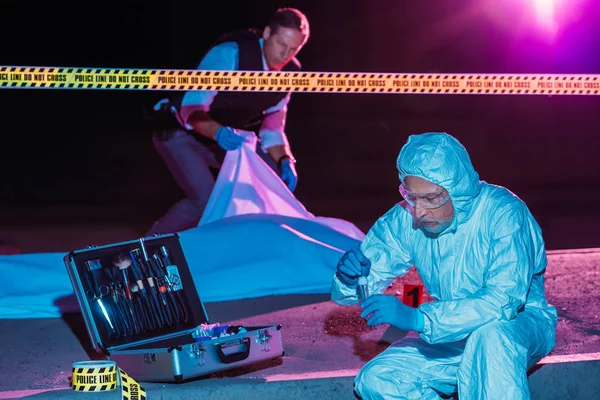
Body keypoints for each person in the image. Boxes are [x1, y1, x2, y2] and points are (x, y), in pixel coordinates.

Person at [332, 132, 557, 399]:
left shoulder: (504, 213)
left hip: (515, 326)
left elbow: (502, 302)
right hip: (450, 331)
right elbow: (359, 288)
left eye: (431, 198)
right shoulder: (408, 216)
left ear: (457, 190)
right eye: (412, 196)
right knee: (378, 379)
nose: (419, 211)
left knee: (490, 339)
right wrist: (350, 278)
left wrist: (419, 318)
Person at [146, 8, 310, 235]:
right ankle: (148, 248)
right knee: (203, 200)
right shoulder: (229, 54)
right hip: (180, 132)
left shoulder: (290, 72)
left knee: (269, 181)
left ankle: (246, 248)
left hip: (221, 139)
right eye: (282, 44)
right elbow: (192, 109)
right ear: (267, 33)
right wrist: (219, 132)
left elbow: (272, 128)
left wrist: (285, 160)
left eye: (294, 49)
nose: (285, 54)